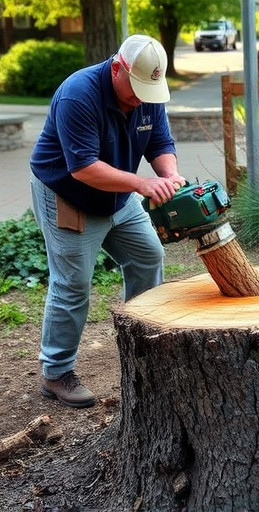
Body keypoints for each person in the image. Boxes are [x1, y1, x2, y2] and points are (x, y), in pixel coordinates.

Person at [30, 34, 186, 409]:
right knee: (73, 283)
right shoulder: (77, 94)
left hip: (119, 195)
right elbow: (83, 168)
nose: (139, 98)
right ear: (118, 67)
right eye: (134, 89)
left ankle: (144, 343)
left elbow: (160, 144)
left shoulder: (147, 96)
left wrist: (169, 177)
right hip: (69, 196)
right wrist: (143, 184)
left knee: (149, 257)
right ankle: (56, 372)